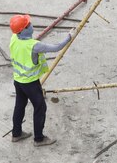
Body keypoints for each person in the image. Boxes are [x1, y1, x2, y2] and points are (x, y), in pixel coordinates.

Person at [9, 14, 73, 146]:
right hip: (30, 83)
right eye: (28, 25)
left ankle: (16, 134)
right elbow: (56, 47)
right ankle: (39, 139)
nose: (31, 25)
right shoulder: (34, 46)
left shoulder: (14, 38)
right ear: (23, 30)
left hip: (18, 81)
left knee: (19, 106)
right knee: (40, 107)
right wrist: (69, 37)